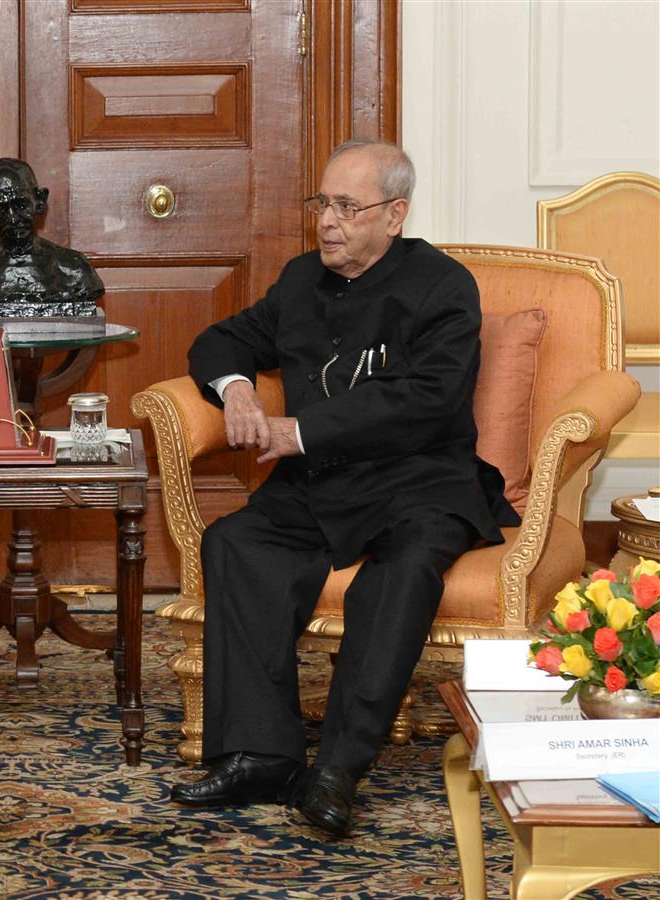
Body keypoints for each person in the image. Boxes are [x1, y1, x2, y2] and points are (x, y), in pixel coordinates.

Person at [171, 140, 519, 837]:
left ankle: (336, 771)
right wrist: (238, 392)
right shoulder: (301, 281)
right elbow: (219, 340)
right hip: (322, 483)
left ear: (394, 215)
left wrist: (296, 432)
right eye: (321, 204)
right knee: (237, 542)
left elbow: (427, 398)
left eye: (346, 207)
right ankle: (261, 754)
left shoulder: (443, 286)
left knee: (401, 574)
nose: (328, 222)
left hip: (421, 480)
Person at [0, 158, 103, 317]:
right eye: (0, 209)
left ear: (40, 201)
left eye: (21, 206)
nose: (12, 219)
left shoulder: (75, 270)